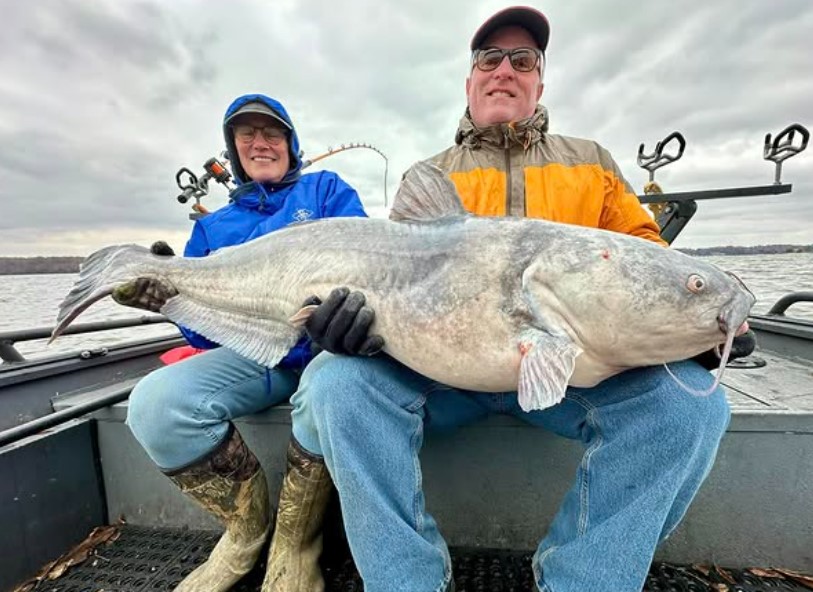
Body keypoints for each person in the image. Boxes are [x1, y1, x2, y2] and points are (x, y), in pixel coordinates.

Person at [280, 7, 757, 592]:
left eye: (523, 60)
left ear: (539, 82)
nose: (505, 69)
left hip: (573, 374)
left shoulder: (592, 163)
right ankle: (406, 581)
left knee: (693, 407)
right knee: (335, 383)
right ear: (471, 80)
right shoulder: (428, 176)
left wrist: (693, 322)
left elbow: (644, 255)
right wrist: (344, 325)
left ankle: (583, 581)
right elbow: (390, 275)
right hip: (443, 374)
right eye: (490, 58)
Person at [116, 93, 374, 592]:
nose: (260, 143)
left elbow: (366, 259)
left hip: (326, 351)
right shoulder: (211, 228)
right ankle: (244, 534)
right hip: (256, 359)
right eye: (247, 135)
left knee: (327, 389)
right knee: (154, 404)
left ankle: (296, 545)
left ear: (290, 143)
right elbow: (202, 333)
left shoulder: (325, 191)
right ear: (233, 149)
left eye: (272, 133)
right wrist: (171, 300)